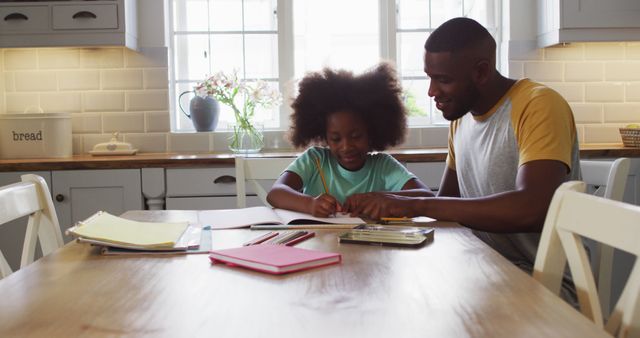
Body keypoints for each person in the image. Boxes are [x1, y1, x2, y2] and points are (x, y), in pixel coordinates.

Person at [343, 17, 581, 276]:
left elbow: (532, 209)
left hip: (543, 283)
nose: (432, 91)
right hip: (483, 269)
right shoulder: (462, 120)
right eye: (430, 78)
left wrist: (413, 205)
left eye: (443, 79)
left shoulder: (538, 105)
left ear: (481, 71)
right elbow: (449, 201)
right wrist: (384, 200)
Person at [266, 63, 432, 218]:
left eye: (356, 136)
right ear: (324, 137)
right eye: (336, 139)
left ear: (372, 132)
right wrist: (310, 204)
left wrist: (380, 198)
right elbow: (276, 194)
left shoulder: (383, 166)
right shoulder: (314, 160)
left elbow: (427, 197)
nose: (346, 146)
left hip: (370, 246)